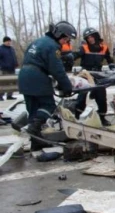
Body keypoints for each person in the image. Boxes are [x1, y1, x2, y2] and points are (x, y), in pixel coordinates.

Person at [18, 21, 75, 151]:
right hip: (37, 77)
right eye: (65, 39)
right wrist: (67, 86)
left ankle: (36, 142)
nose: (65, 42)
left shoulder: (38, 42)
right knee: (48, 105)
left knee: (33, 111)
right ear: (59, 35)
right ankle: (33, 128)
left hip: (24, 76)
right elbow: (57, 69)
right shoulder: (52, 46)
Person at [73, 27, 115, 126]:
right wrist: (69, 57)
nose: (90, 39)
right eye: (88, 38)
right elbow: (77, 55)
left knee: (101, 96)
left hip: (98, 74)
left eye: (92, 37)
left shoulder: (104, 47)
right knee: (82, 96)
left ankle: (102, 117)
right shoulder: (84, 47)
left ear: (96, 36)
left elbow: (109, 59)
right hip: (85, 74)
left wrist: (112, 66)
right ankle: (77, 115)